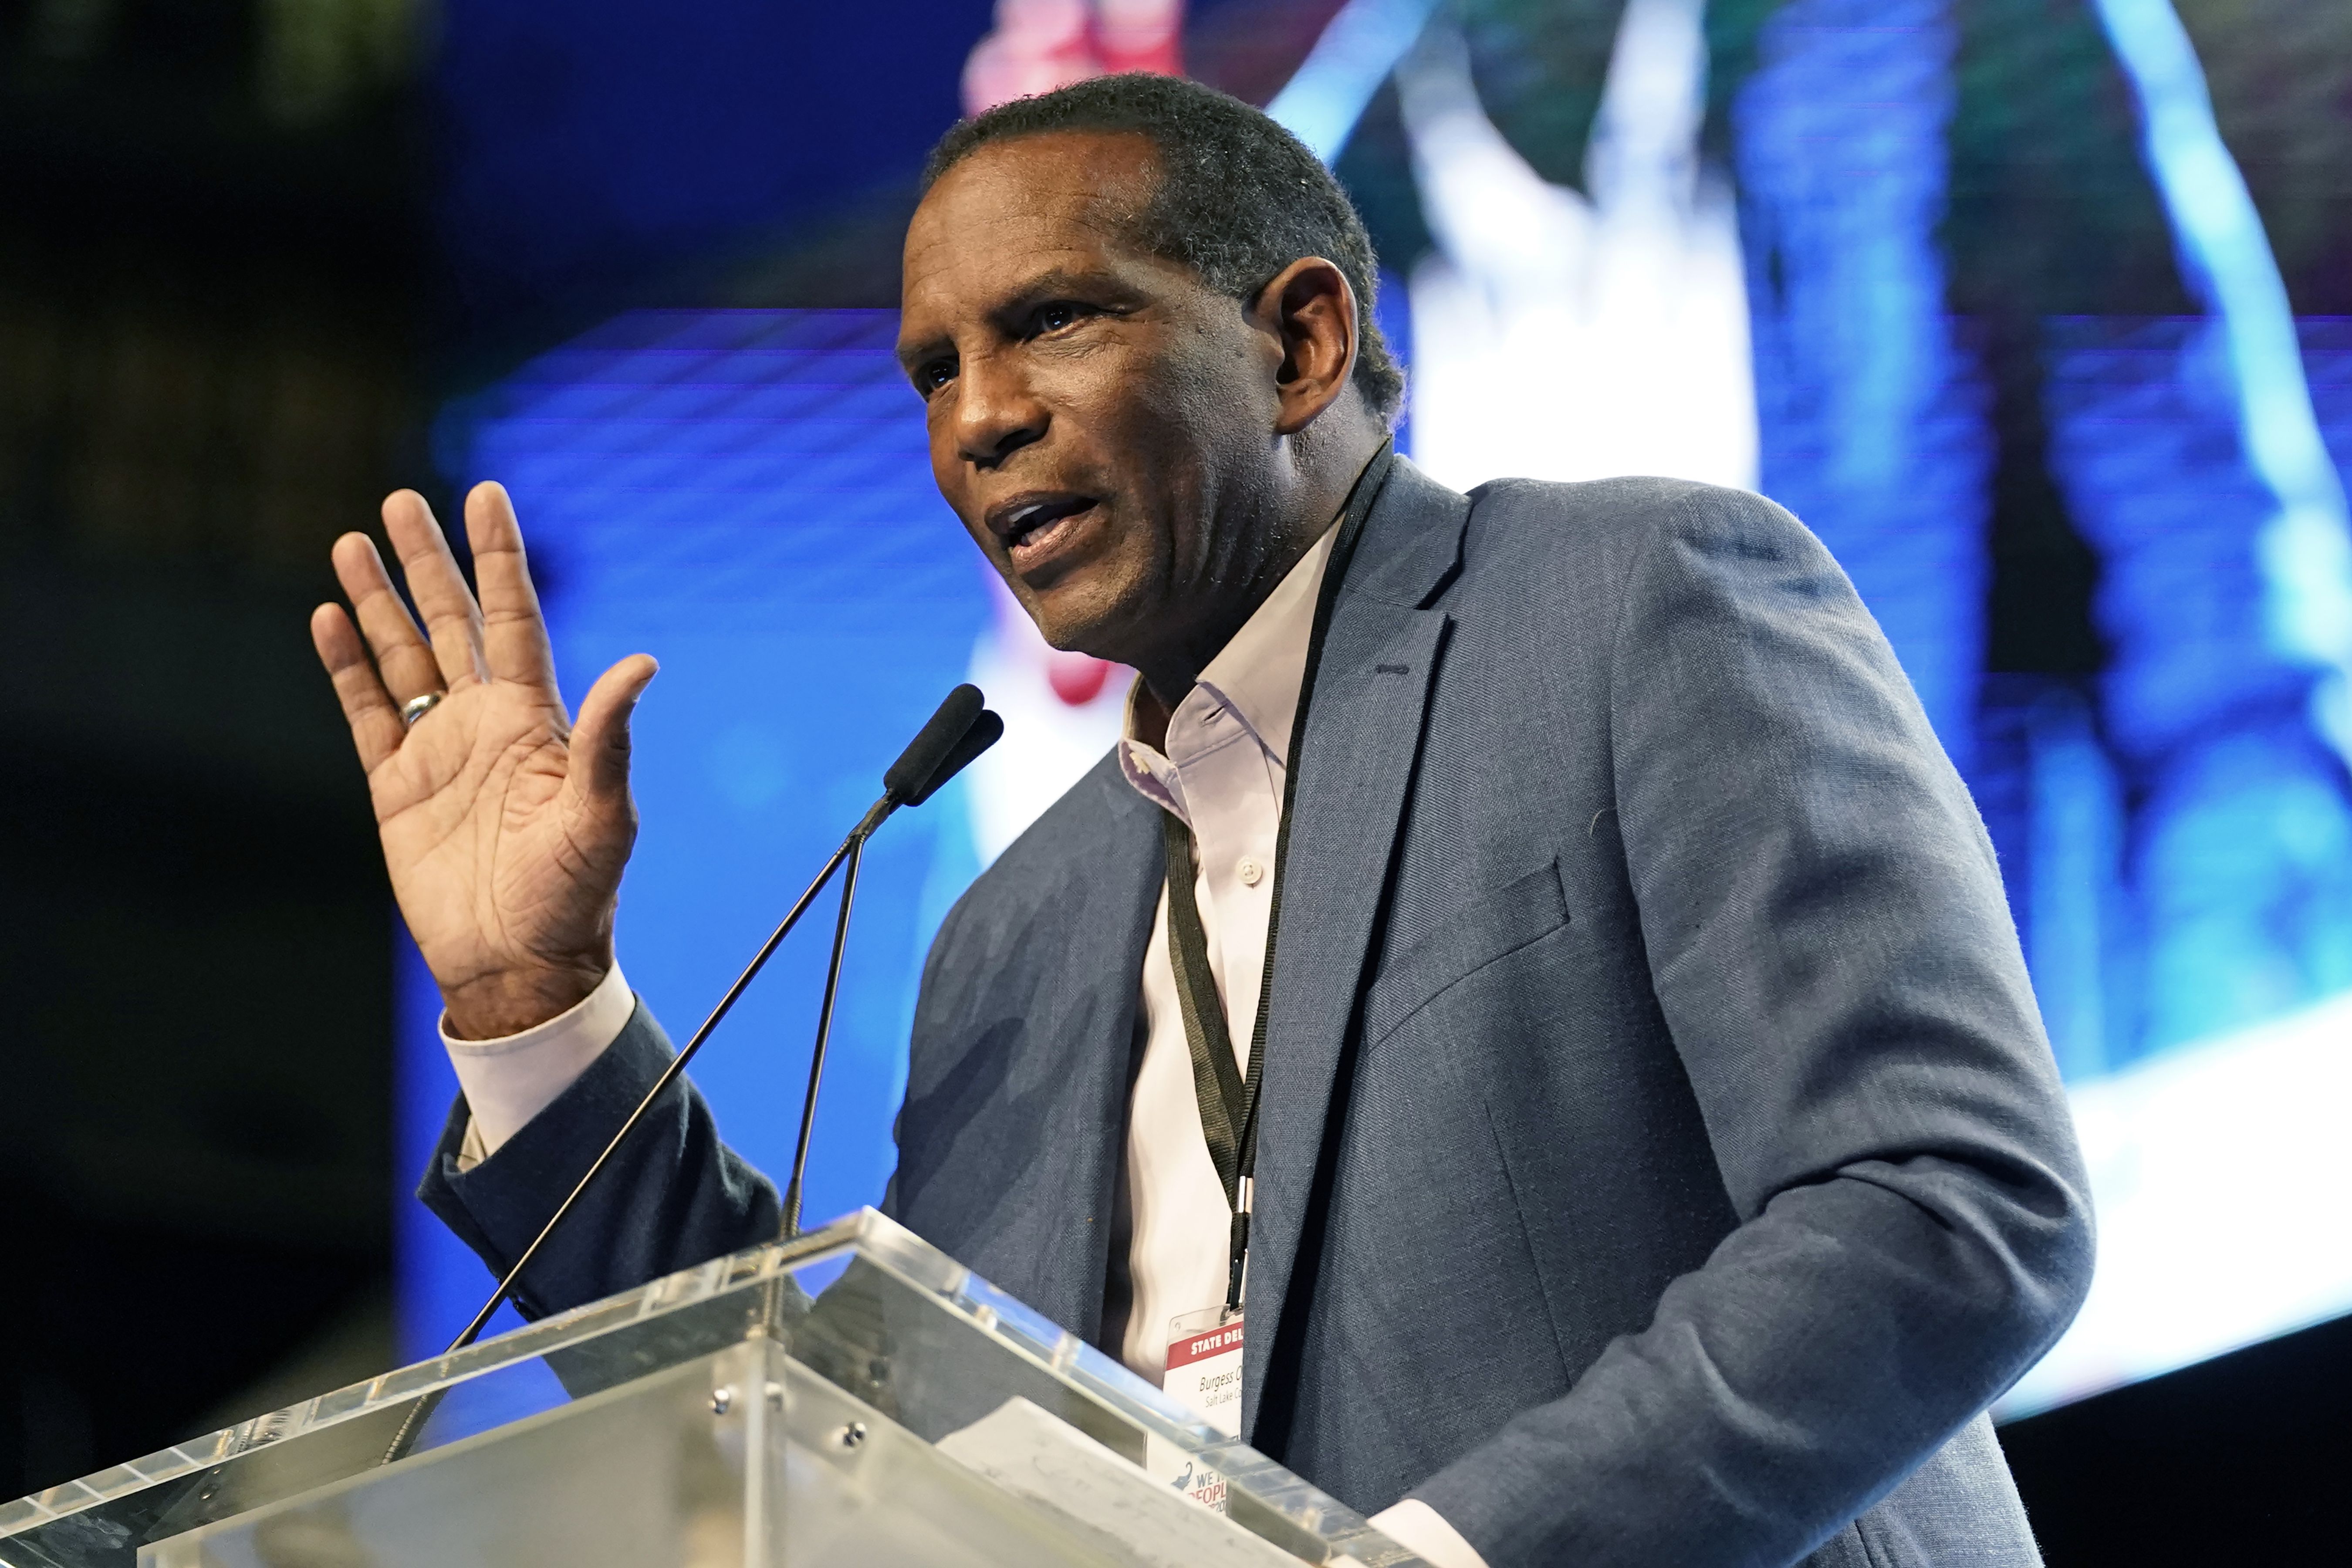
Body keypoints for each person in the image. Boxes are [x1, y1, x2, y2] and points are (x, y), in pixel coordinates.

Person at [311, 74, 2092, 1568]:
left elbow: (1948, 1203)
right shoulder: (1015, 932)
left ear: (1302, 342)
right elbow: (879, 1451)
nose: (981, 419)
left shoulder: (1632, 604)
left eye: (1054, 320)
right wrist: (537, 1002)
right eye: (930, 370)